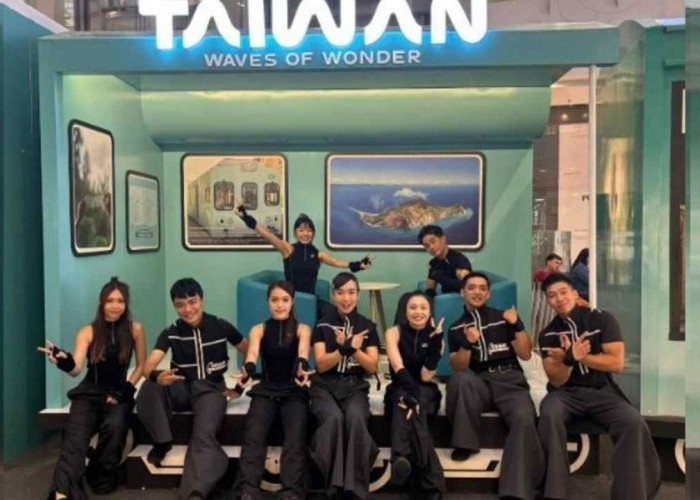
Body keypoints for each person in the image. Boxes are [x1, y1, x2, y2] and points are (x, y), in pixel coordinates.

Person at [538, 273, 660, 500]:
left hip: (601, 390)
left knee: (633, 422)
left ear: (575, 293)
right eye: (552, 295)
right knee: (548, 414)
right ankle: (554, 493)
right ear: (548, 301)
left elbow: (616, 363)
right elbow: (556, 380)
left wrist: (581, 357)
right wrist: (570, 359)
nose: (560, 298)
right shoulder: (548, 334)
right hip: (566, 394)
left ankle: (632, 494)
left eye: (564, 292)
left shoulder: (602, 319)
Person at [136, 278, 248, 500]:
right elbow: (147, 366)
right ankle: (162, 440)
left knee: (203, 435)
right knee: (149, 386)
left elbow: (249, 350)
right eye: (180, 305)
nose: (188, 309)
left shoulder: (220, 325)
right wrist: (157, 376)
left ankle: (195, 493)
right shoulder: (171, 332)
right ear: (174, 306)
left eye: (193, 302)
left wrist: (243, 380)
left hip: (211, 390)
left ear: (202, 299)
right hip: (181, 387)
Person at [39, 277, 147, 499]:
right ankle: (60, 492)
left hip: (119, 393)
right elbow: (76, 369)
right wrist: (63, 361)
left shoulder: (135, 330)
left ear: (126, 303)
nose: (115, 305)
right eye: (110, 301)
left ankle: (98, 472)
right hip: (88, 393)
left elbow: (142, 366)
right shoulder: (87, 331)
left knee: (115, 428)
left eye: (120, 301)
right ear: (101, 302)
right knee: (75, 438)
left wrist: (125, 390)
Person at [446, 272, 544, 500]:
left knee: (523, 419)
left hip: (509, 380)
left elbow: (525, 353)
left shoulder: (504, 317)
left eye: (482, 288)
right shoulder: (455, 327)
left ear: (489, 294)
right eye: (472, 287)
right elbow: (458, 366)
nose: (477, 292)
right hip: (479, 382)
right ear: (462, 292)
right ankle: (465, 443)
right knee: (460, 379)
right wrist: (467, 343)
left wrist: (517, 324)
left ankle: (516, 489)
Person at [233, 281, 313, 500]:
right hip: (266, 388)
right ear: (268, 302)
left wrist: (302, 365)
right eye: (274, 300)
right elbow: (252, 354)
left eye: (285, 300)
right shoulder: (258, 329)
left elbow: (303, 352)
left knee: (295, 437)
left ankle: (292, 491)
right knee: (253, 434)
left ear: (292, 302)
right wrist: (249, 369)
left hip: (293, 390)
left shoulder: (303, 329)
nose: (279, 305)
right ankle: (248, 489)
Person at [308, 272, 381, 499]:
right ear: (334, 295)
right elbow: (321, 365)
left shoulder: (368, 326)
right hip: (324, 386)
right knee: (333, 419)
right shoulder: (322, 324)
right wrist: (342, 349)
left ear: (358, 295)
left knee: (356, 419)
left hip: (354, 386)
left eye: (351, 292)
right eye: (340, 293)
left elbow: (372, 366)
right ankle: (333, 486)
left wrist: (354, 349)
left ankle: (354, 489)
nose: (346, 298)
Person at [236, 207, 373, 314]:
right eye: (301, 230)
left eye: (309, 230)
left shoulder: (318, 254)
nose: (305, 234)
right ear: (295, 233)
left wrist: (359, 265)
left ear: (313, 233)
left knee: (337, 314)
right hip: (292, 302)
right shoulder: (288, 249)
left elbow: (336, 262)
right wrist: (246, 217)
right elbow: (268, 234)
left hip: (311, 301)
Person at [384, 291, 445, 498]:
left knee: (409, 406)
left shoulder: (437, 335)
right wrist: (412, 394)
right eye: (413, 307)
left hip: (425, 389)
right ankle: (432, 486)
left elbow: (426, 376)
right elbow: (397, 366)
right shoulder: (393, 332)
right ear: (405, 311)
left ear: (430, 312)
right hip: (400, 385)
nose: (418, 312)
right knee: (406, 403)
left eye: (423, 307)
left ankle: (400, 456)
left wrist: (436, 348)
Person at [418, 225, 472, 297]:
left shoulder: (459, 260)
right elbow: (430, 290)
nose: (431, 247)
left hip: (461, 300)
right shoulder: (434, 263)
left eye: (433, 242)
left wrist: (439, 276)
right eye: (427, 246)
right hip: (444, 300)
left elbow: (467, 286)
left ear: (443, 239)